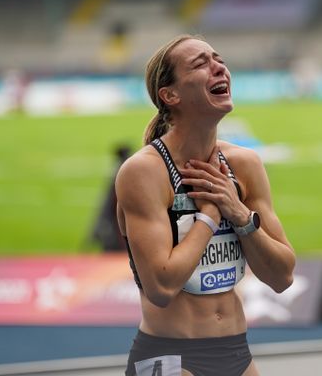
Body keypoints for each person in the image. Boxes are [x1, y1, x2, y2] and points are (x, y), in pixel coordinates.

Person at [115, 34, 296, 376]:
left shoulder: (244, 164)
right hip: (170, 356)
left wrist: (239, 215)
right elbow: (162, 287)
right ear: (170, 95)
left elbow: (282, 275)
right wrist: (210, 217)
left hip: (236, 352)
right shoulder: (144, 172)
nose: (219, 68)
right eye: (201, 64)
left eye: (219, 60)